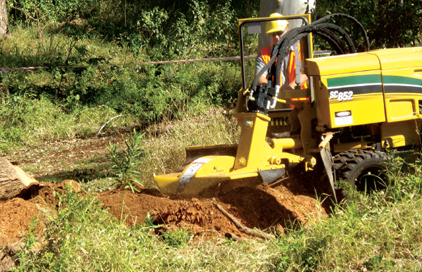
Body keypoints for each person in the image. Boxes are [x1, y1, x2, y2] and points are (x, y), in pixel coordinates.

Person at [255, 13, 308, 90]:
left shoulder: (301, 50)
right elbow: (259, 76)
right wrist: (268, 89)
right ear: (269, 35)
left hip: (300, 100)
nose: (276, 37)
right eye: (273, 34)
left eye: (279, 33)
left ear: (287, 31)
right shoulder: (264, 54)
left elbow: (305, 72)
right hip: (275, 100)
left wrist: (291, 87)